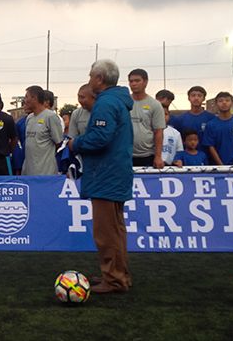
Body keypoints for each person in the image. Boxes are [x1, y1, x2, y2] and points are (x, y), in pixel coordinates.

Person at [69, 60, 133, 294]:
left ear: (99, 79)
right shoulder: (118, 101)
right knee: (115, 229)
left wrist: (76, 143)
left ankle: (114, 280)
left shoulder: (105, 103)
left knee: (106, 232)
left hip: (107, 174)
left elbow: (99, 137)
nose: (89, 80)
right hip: (115, 172)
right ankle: (118, 274)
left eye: (91, 76)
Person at [21, 85, 63, 175]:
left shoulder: (50, 116)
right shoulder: (29, 118)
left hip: (45, 173)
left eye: (26, 97)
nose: (25, 100)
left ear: (34, 98)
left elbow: (59, 143)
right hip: (28, 172)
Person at [128, 69, 165, 168]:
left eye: (137, 80)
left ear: (145, 82)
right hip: (125, 154)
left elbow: (158, 132)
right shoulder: (123, 102)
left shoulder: (155, 105)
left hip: (147, 155)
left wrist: (158, 156)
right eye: (131, 81)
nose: (133, 84)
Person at [202, 92, 233, 166]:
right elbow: (210, 146)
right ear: (216, 104)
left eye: (227, 100)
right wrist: (221, 165)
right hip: (217, 166)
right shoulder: (210, 125)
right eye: (220, 101)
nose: (224, 103)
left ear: (232, 103)